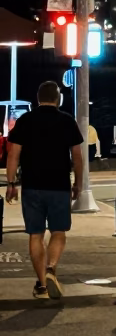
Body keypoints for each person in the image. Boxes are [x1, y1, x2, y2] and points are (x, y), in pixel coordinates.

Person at [4, 81, 84, 300]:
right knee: (58, 231)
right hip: (59, 186)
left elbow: (13, 155)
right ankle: (51, 268)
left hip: (32, 186)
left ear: (38, 98)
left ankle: (41, 285)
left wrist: (11, 184)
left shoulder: (25, 120)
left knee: (35, 235)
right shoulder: (67, 121)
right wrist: (77, 183)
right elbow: (77, 156)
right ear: (58, 98)